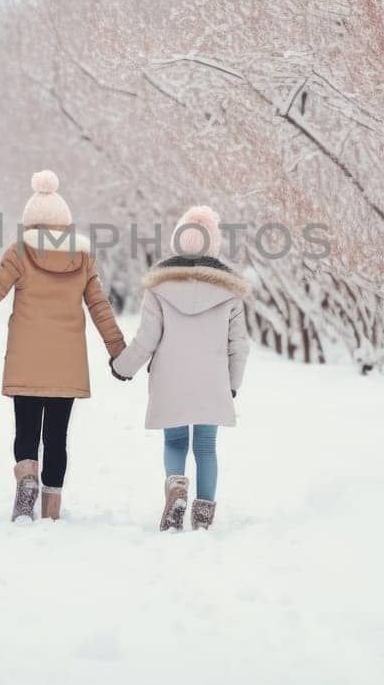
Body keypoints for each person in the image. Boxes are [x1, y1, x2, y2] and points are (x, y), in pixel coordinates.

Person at [0, 171, 126, 522]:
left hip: (27, 360)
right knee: (57, 436)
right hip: (66, 364)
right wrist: (117, 347)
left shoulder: (20, 252)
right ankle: (51, 510)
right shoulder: (83, 257)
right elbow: (99, 304)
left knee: (26, 430)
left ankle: (26, 481)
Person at [111, 206, 249, 531]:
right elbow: (239, 344)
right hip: (212, 380)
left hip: (169, 379)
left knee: (175, 442)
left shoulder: (159, 286)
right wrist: (232, 383)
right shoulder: (229, 290)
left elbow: (147, 338)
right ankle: (203, 515)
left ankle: (176, 488)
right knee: (206, 446)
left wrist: (123, 367)